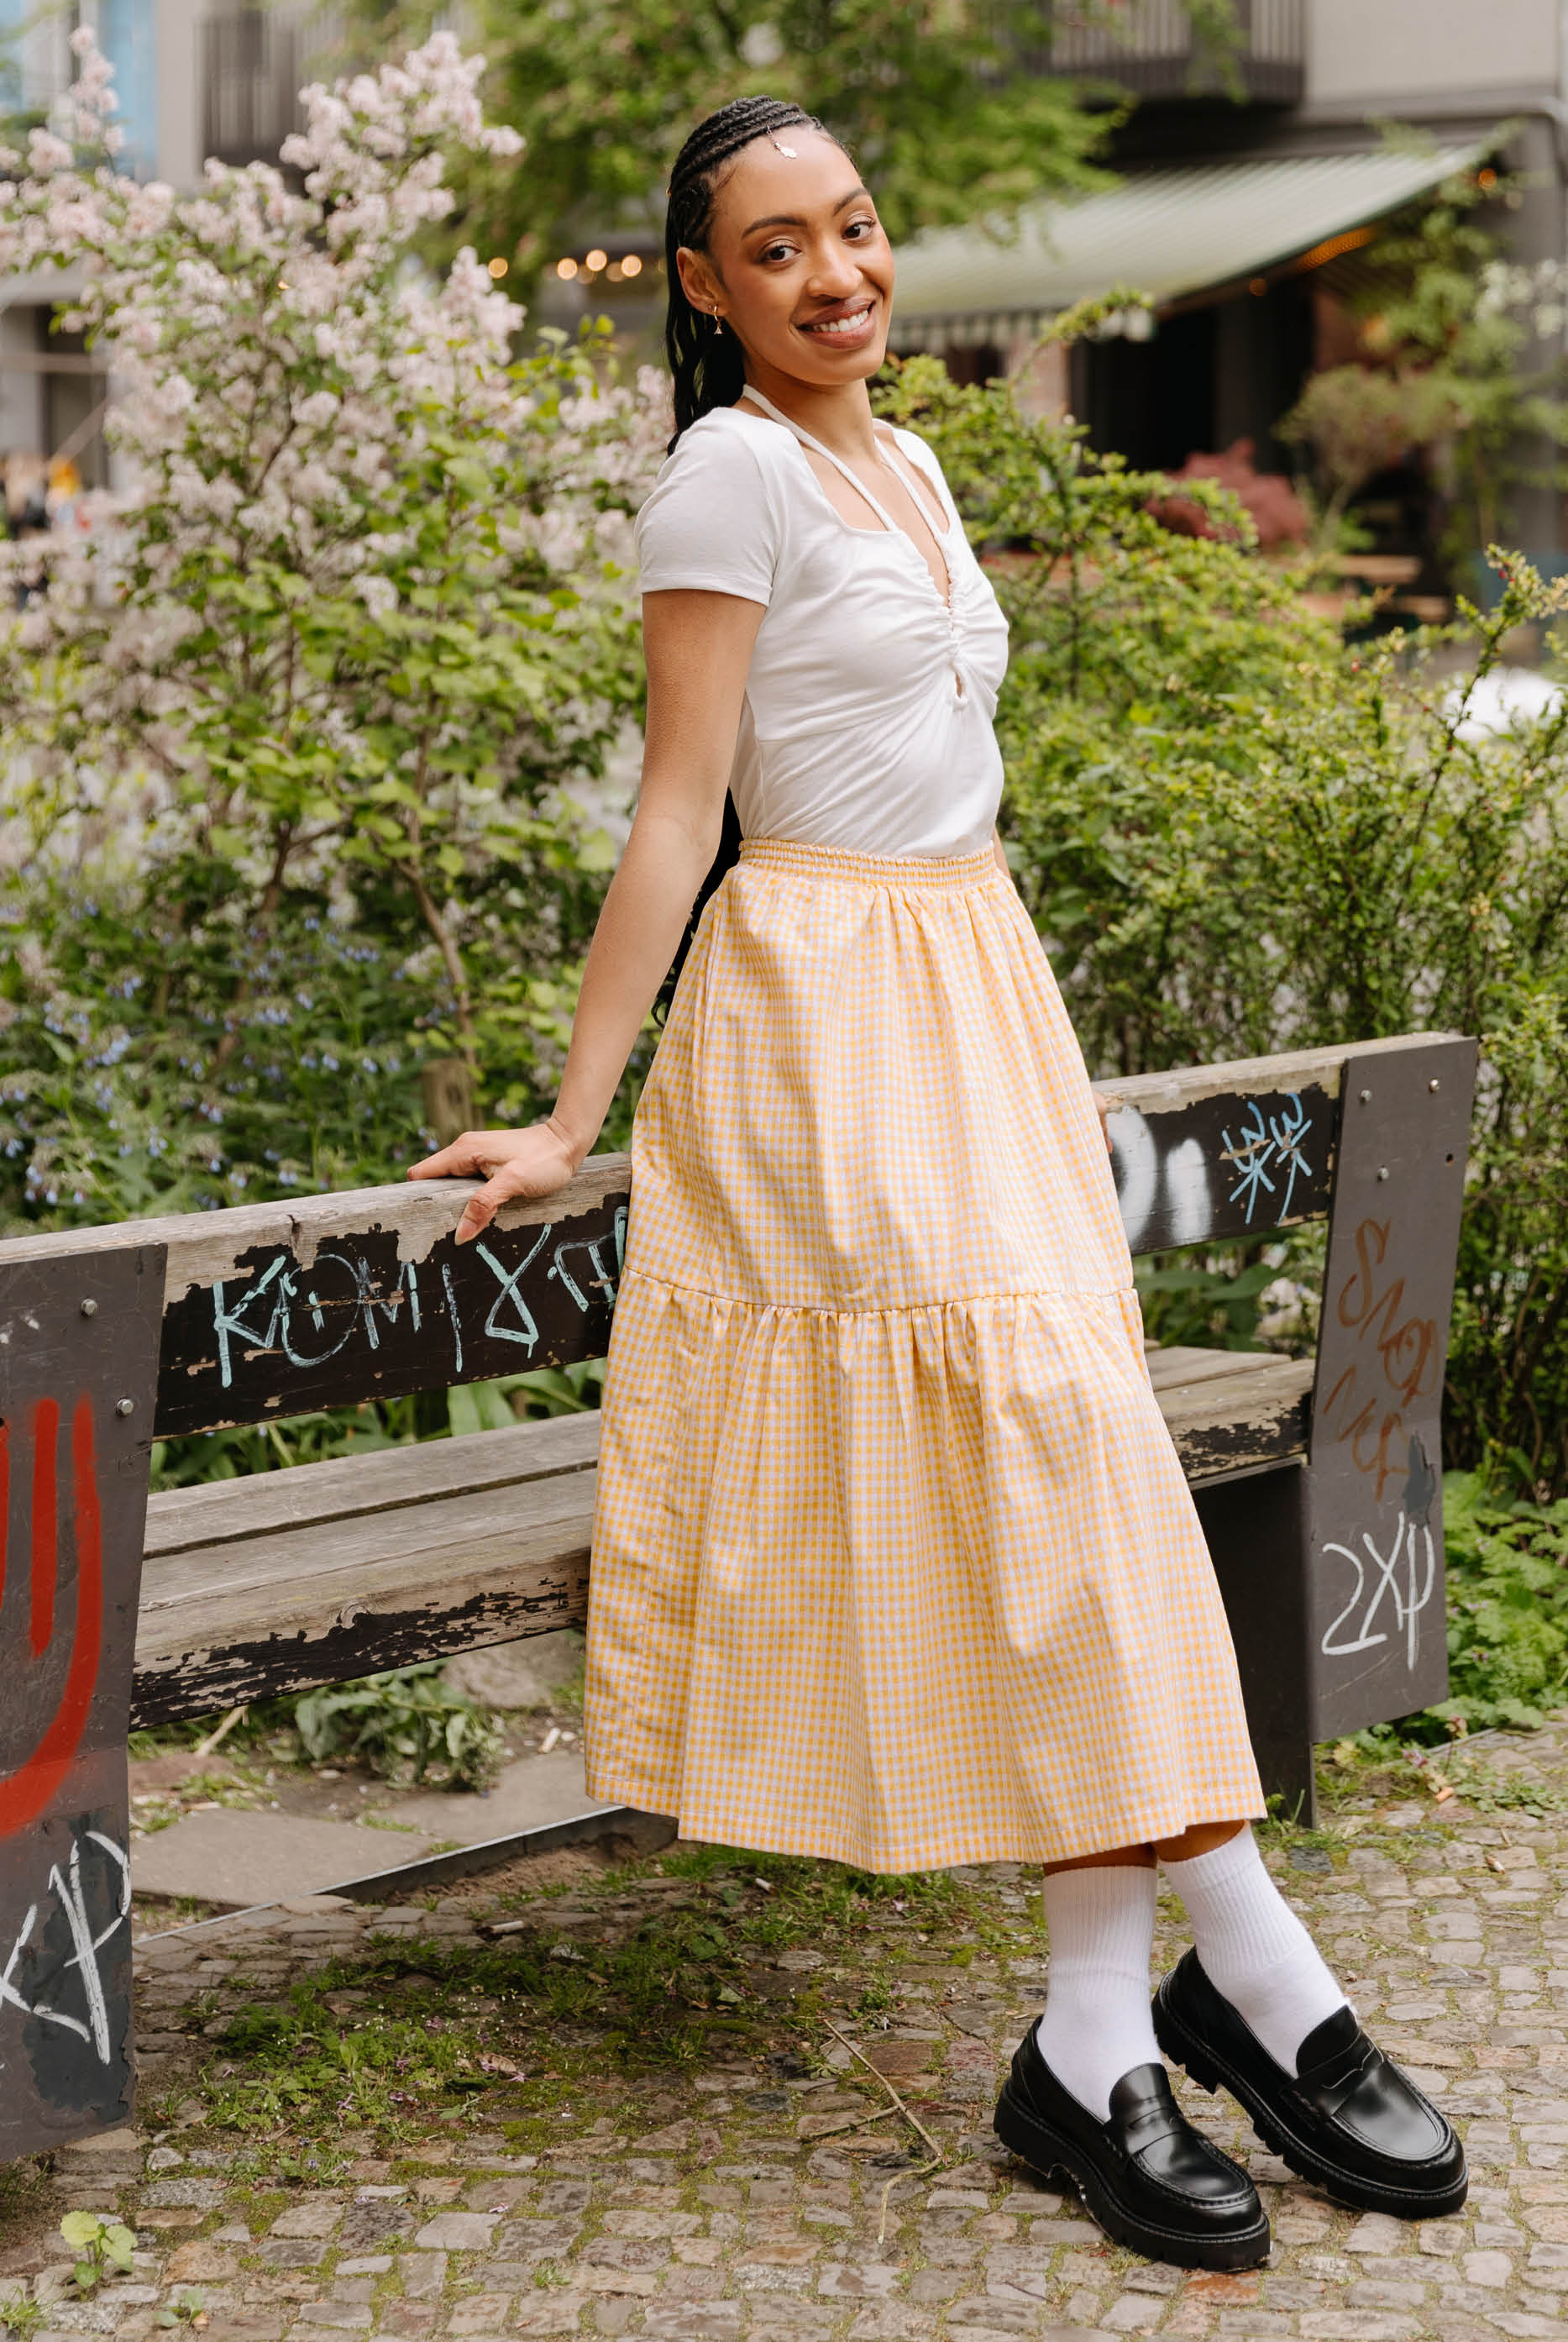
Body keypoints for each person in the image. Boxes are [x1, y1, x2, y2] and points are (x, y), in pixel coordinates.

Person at [409, 94, 1466, 2267]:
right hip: (819, 1023)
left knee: (1057, 1482)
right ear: (702, 290)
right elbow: (675, 807)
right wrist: (573, 1108)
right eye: (775, 248)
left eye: (855, 228)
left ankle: (1092, 2033)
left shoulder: (908, 459)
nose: (836, 274)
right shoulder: (728, 471)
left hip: (972, 984)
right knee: (1059, 1456)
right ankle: (1250, 1969)